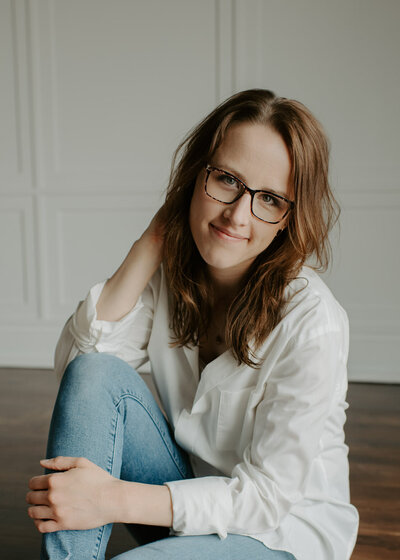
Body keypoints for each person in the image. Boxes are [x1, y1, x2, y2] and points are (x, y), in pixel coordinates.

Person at [26, 89, 359, 560]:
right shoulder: (176, 274)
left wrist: (109, 498)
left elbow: (265, 500)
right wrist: (152, 240)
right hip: (189, 503)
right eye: (227, 180)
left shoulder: (312, 321)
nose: (237, 215)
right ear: (196, 175)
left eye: (268, 199)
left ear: (287, 217)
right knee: (97, 372)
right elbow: (79, 376)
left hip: (278, 534)